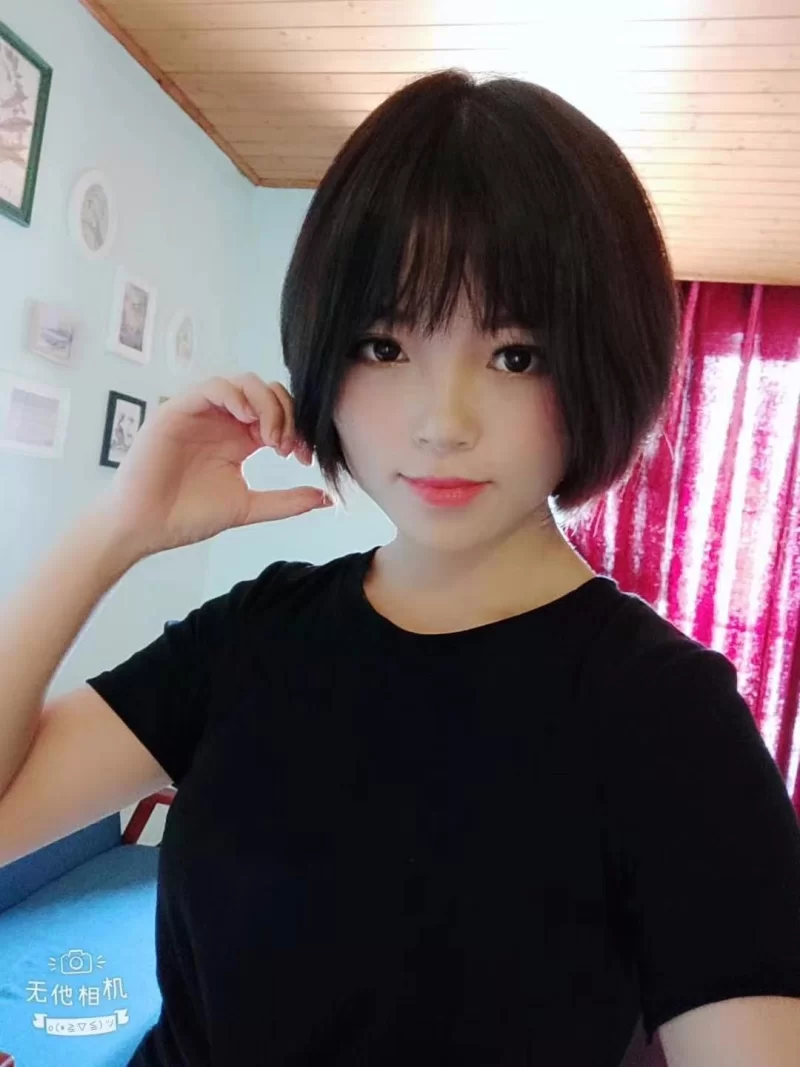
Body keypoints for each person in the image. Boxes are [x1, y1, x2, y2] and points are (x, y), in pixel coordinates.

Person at [1, 69, 799, 1067]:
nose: (441, 422)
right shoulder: (254, 633)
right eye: (383, 344)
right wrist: (117, 528)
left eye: (515, 354)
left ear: (602, 364)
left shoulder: (668, 718)